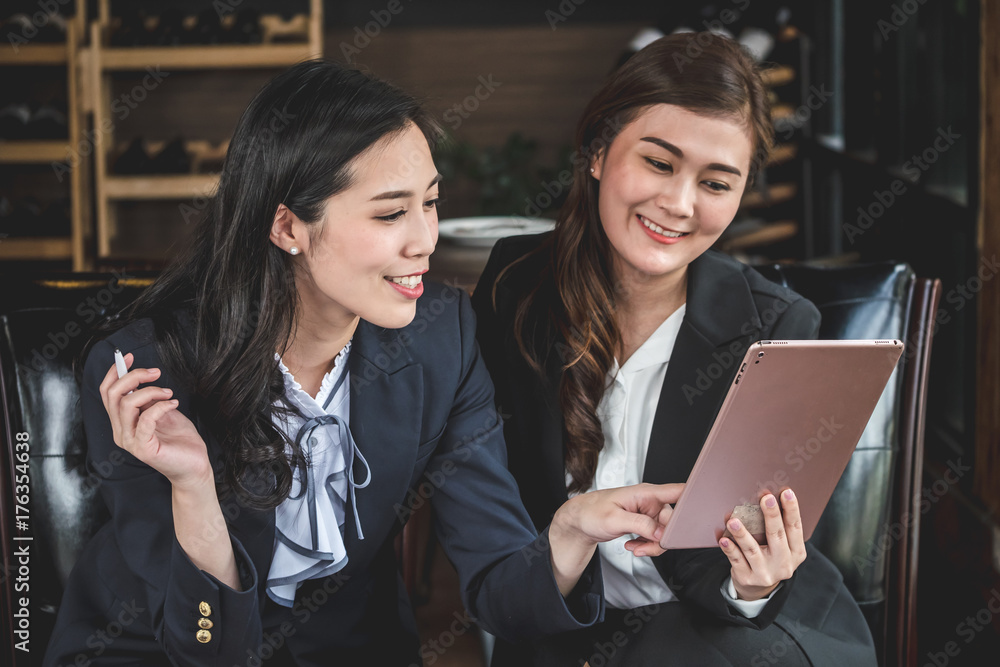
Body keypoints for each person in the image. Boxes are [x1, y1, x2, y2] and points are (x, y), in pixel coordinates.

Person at [43, 60, 685, 667]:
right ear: (288, 227)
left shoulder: (443, 341)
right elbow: (203, 651)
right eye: (390, 213)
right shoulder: (147, 373)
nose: (425, 240)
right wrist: (193, 488)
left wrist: (569, 533)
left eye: (430, 203)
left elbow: (499, 589)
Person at [472, 33, 879, 667]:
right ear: (600, 151)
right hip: (566, 631)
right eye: (659, 163)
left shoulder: (778, 325)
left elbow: (763, 557)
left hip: (728, 632)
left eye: (716, 183)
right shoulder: (514, 289)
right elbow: (489, 516)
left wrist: (754, 584)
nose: (679, 204)